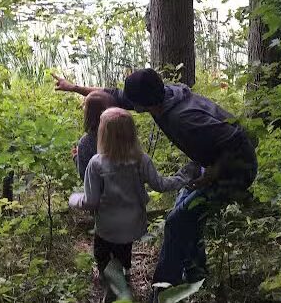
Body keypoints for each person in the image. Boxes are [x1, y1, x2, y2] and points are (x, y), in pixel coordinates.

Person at [54, 69, 258, 296]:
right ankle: (196, 276)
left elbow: (243, 139)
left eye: (132, 103)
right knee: (186, 215)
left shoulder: (185, 117)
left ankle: (162, 292)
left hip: (235, 170)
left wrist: (214, 172)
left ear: (141, 106)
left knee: (177, 221)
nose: (126, 104)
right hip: (210, 163)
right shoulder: (163, 95)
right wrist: (73, 88)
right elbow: (111, 95)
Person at [68, 107, 193, 303]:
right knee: (123, 248)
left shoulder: (96, 164)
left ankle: (113, 285)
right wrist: (183, 176)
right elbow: (160, 185)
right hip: (133, 225)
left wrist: (74, 199)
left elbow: (90, 201)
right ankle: (124, 274)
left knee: (102, 255)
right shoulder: (141, 159)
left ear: (103, 134)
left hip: (107, 227)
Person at [71, 90, 116, 182]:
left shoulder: (85, 142)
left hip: (103, 194)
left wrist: (76, 158)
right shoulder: (124, 133)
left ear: (88, 115)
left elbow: (85, 176)